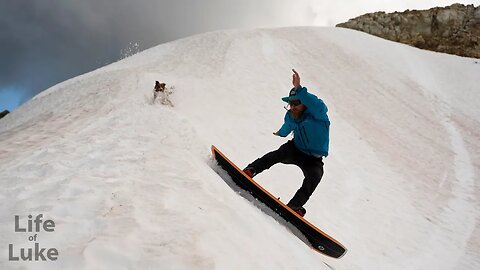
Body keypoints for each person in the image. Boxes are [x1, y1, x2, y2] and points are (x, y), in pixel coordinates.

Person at [243, 69, 330, 217]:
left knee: (315, 177)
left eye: (296, 103)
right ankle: (251, 169)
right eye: (290, 104)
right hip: (296, 149)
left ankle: (294, 206)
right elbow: (288, 126)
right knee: (276, 155)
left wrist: (299, 90)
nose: (292, 107)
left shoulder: (318, 114)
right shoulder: (291, 115)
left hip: (314, 160)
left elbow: (316, 104)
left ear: (305, 104)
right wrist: (281, 133)